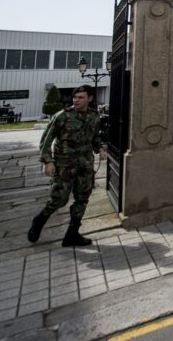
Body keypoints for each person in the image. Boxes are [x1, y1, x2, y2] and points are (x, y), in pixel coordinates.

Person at [27, 85, 106, 247]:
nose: (76, 100)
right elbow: (46, 141)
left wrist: (100, 149)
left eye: (81, 97)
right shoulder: (62, 116)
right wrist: (48, 162)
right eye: (75, 97)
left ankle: (72, 234)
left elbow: (94, 137)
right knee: (59, 199)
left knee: (82, 198)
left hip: (85, 164)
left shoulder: (94, 117)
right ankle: (39, 220)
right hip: (64, 165)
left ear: (90, 98)